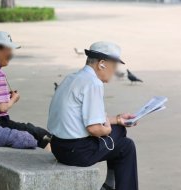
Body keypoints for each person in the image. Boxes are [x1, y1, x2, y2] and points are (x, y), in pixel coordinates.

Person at [47, 41, 138, 190]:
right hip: (76, 152)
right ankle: (109, 185)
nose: (115, 71)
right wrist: (108, 130)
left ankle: (109, 185)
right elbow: (95, 129)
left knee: (122, 136)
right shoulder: (93, 83)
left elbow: (83, 118)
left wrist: (117, 120)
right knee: (125, 143)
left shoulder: (72, 78)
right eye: (114, 66)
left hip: (58, 146)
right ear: (102, 64)